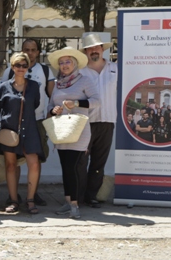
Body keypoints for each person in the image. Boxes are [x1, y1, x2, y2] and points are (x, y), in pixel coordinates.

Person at [47, 47, 100, 220]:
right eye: (61, 63)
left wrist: (75, 103)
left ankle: (75, 205)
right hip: (62, 131)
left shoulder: (84, 80)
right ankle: (68, 201)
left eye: (67, 61)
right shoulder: (57, 83)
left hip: (79, 131)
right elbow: (50, 105)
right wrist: (54, 110)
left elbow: (96, 101)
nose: (64, 65)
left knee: (73, 168)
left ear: (75, 63)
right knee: (66, 168)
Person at [0, 39, 54, 207]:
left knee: (36, 160)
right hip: (12, 126)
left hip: (36, 122)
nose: (30, 53)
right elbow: (0, 102)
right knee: (12, 162)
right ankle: (13, 196)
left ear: (38, 52)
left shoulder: (45, 70)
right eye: (26, 49)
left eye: (33, 50)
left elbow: (50, 96)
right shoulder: (9, 72)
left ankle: (33, 193)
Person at [0, 52, 42, 215]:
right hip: (10, 131)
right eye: (17, 65)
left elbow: (34, 104)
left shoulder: (34, 86)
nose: (21, 68)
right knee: (10, 165)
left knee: (34, 164)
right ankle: (13, 199)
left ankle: (30, 200)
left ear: (27, 67)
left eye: (24, 65)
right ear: (12, 67)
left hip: (29, 129)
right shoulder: (4, 86)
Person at [79, 34, 118, 207]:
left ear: (103, 49)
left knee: (98, 162)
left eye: (97, 47)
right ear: (86, 51)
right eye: (90, 48)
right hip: (85, 122)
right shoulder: (79, 72)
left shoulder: (115, 69)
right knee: (80, 161)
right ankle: (78, 196)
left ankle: (91, 195)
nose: (94, 50)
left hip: (107, 121)